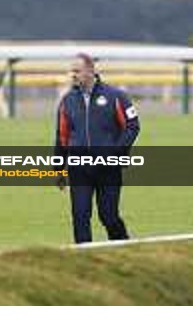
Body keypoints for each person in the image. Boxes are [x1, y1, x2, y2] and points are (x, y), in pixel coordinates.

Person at [54, 53, 140, 244]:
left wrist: (116, 154)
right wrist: (58, 169)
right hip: (79, 170)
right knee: (80, 218)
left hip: (108, 169)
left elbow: (132, 126)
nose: (73, 75)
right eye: (72, 71)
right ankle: (83, 263)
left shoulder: (116, 96)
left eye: (77, 71)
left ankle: (124, 250)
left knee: (108, 217)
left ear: (91, 71)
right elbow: (61, 136)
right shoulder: (67, 101)